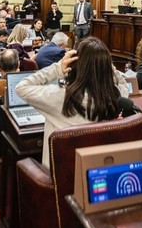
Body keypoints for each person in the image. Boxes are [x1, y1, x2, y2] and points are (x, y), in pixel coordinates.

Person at [15, 37, 129, 169]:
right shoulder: (116, 96)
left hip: (60, 179)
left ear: (76, 63)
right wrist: (104, 64)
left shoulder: (61, 97)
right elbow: (122, 83)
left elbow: (21, 87)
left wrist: (58, 68)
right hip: (95, 175)